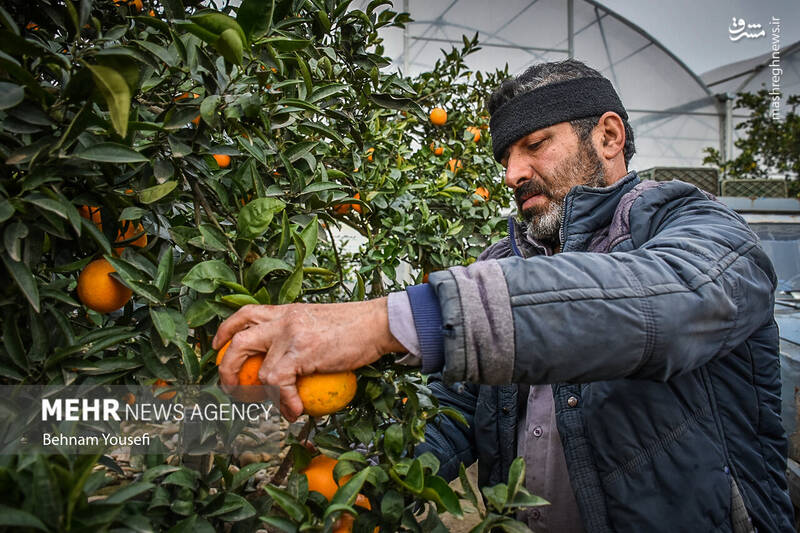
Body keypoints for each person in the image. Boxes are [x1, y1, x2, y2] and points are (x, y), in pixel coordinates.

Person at [213, 59, 794, 532]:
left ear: (609, 136)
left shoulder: (698, 228)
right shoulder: (501, 263)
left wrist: (385, 322)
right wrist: (361, 485)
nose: (512, 173)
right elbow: (455, 414)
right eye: (505, 158)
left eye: (535, 145)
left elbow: (663, 305)